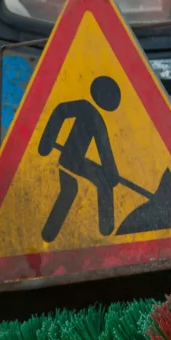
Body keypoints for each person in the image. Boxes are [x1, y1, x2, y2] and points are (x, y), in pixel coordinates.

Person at [37, 76, 122, 242]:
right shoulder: (86, 109)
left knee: (70, 190)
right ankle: (106, 230)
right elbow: (60, 112)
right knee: (101, 183)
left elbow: (104, 149)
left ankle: (48, 234)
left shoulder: (95, 117)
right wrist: (47, 142)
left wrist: (112, 173)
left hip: (73, 158)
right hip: (72, 158)